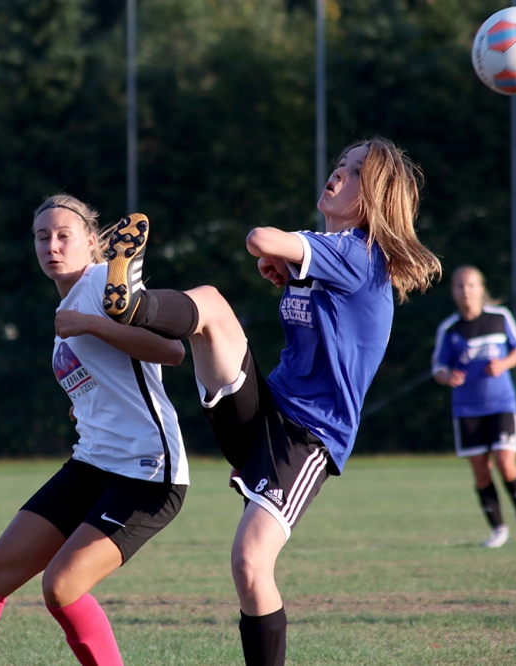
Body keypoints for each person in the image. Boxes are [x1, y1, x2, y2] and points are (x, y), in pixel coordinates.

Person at [102, 137, 442, 666]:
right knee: (211, 305)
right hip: (265, 408)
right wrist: (286, 267)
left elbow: (260, 237)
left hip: (308, 436)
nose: (337, 175)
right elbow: (286, 264)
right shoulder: (331, 257)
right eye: (339, 165)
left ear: (374, 196)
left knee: (250, 563)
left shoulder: (358, 252)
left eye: (353, 173)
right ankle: (132, 301)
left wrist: (279, 252)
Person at [0, 195, 189, 666]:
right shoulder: (68, 303)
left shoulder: (106, 285)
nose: (52, 245)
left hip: (149, 471)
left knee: (62, 587)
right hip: (93, 462)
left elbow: (172, 351)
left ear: (92, 241)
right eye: (42, 237)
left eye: (64, 235)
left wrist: (90, 324)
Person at [431, 266, 516, 547]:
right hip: (467, 408)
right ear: (453, 292)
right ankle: (498, 529)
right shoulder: (449, 328)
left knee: (505, 461)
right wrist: (446, 376)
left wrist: (503, 364)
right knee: (480, 468)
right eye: (460, 286)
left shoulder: (500, 317)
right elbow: (438, 368)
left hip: (502, 403)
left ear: (481, 289)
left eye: (471, 285)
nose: (466, 291)